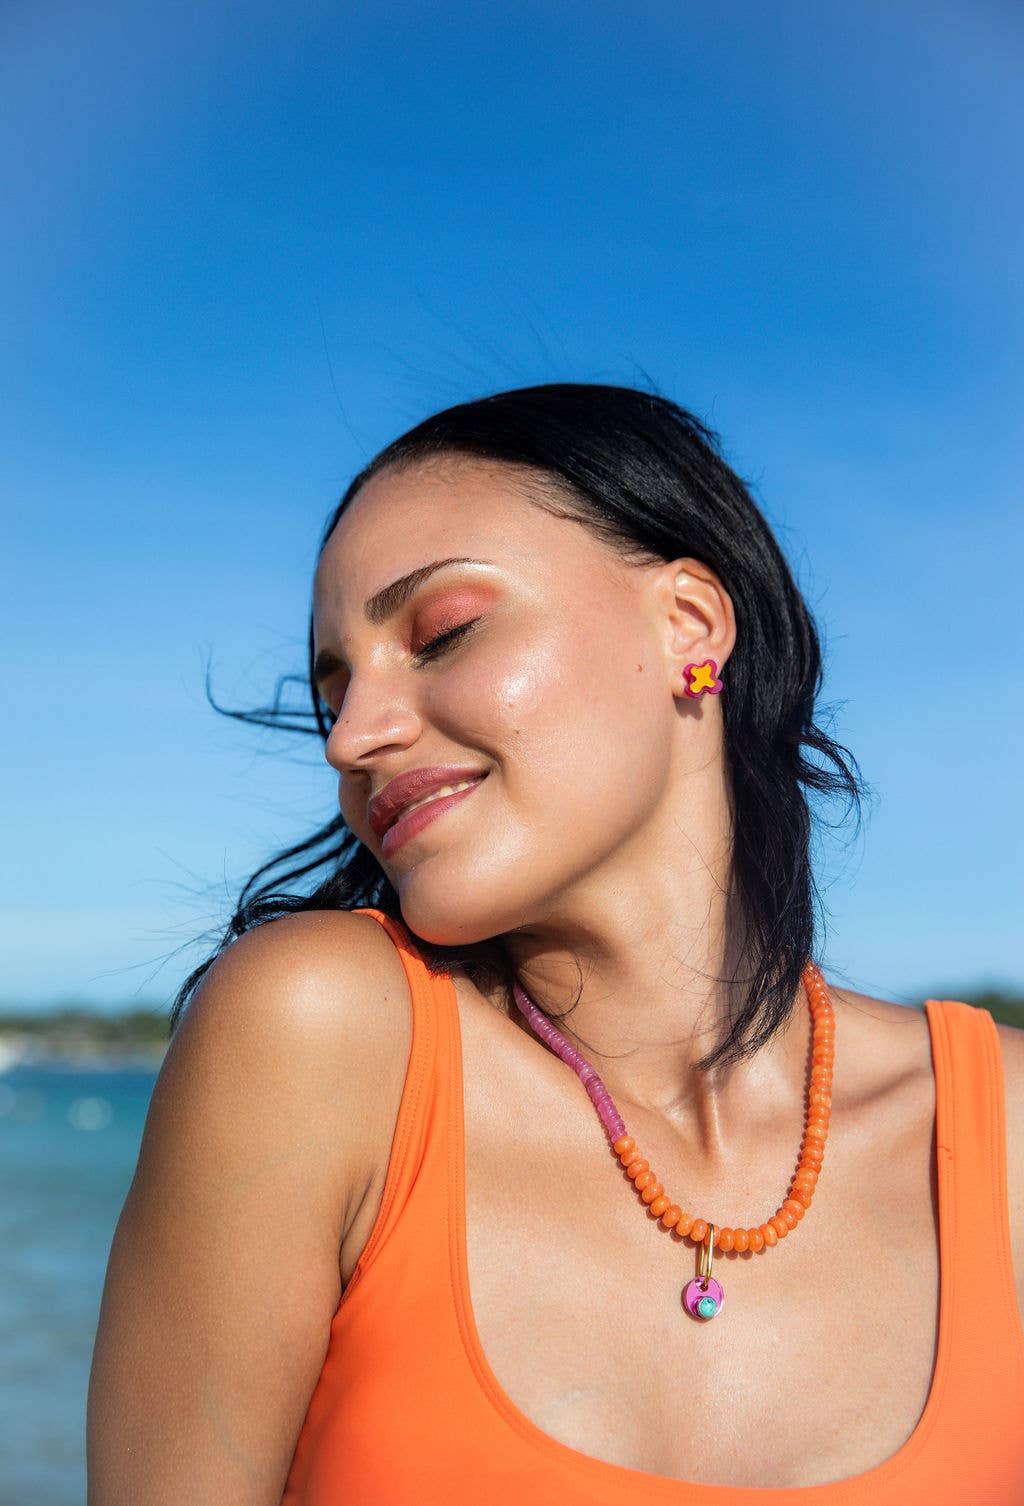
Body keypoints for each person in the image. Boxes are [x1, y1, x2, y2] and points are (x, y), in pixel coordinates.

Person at [87, 383, 1024, 1504]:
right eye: (332, 690)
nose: (351, 738)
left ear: (689, 624)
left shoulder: (1000, 1129)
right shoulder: (320, 1033)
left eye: (441, 633)